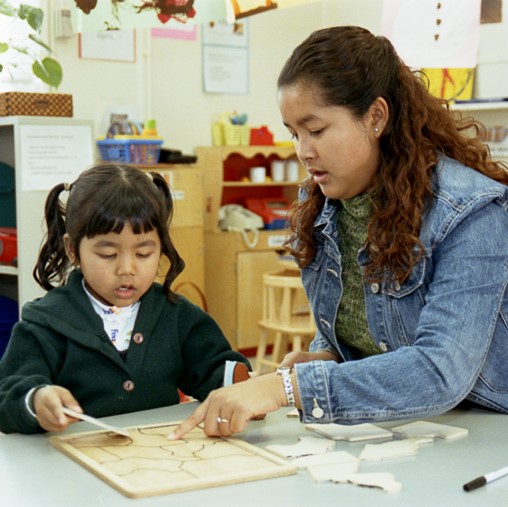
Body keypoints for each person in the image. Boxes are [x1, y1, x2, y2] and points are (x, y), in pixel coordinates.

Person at [168, 25, 508, 440]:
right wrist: (324, 355)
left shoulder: (471, 213)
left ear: (376, 117)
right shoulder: (322, 208)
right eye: (294, 133)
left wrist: (287, 388)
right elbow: (369, 336)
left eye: (317, 130)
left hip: (488, 432)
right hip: (410, 429)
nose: (303, 151)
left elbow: (439, 370)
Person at [0, 164, 250, 434]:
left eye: (143, 254)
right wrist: (35, 400)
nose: (127, 269)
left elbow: (212, 368)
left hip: (156, 460)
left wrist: (241, 385)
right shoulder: (47, 323)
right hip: (71, 465)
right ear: (73, 250)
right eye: (108, 254)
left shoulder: (177, 315)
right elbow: (9, 395)